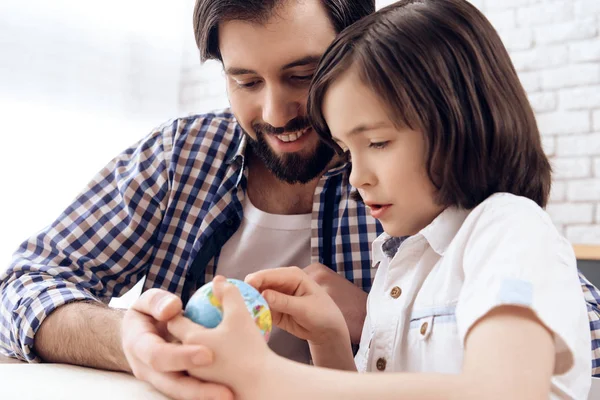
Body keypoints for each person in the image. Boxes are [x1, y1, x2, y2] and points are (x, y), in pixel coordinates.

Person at [164, 0, 595, 398]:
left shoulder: (510, 233)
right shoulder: (399, 259)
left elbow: (502, 392)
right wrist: (329, 338)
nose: (356, 178)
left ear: (459, 121)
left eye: (379, 143)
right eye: (348, 152)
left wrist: (262, 373)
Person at [0, 1, 381, 399]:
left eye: (303, 76)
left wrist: (379, 320)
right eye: (247, 82)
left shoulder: (418, 170)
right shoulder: (180, 154)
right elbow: (25, 284)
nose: (275, 114)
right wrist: (131, 340)